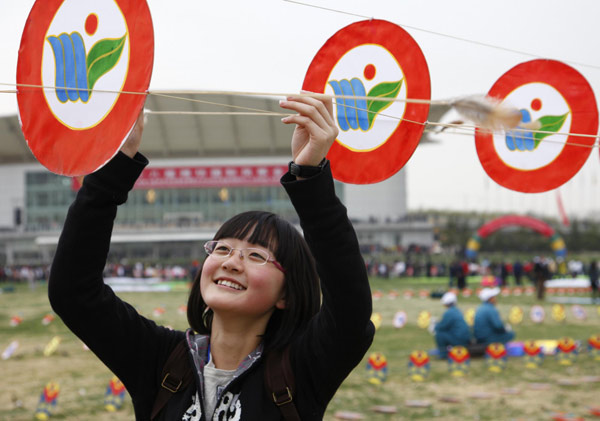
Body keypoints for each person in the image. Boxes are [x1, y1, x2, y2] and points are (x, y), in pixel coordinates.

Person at [48, 95, 375, 420]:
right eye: (222, 248)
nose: (232, 262)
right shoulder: (159, 360)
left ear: (286, 294)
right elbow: (74, 292)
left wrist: (310, 175)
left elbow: (350, 309)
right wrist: (116, 163)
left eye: (256, 255)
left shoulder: (302, 368)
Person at [433, 292, 471, 358]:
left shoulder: (449, 312)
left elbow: (441, 327)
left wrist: (435, 326)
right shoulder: (457, 310)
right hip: (464, 338)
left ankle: (443, 354)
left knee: (440, 334)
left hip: (459, 340)